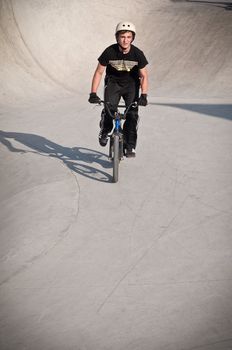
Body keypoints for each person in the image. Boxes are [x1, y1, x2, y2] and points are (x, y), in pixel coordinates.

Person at [88, 21, 148, 158]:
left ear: (132, 38)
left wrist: (144, 95)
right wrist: (92, 93)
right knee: (110, 110)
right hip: (113, 83)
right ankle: (104, 130)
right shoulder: (109, 51)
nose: (125, 40)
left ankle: (130, 145)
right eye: (122, 37)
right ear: (117, 38)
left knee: (132, 115)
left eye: (128, 37)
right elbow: (98, 72)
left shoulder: (138, 54)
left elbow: (144, 76)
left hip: (131, 85)